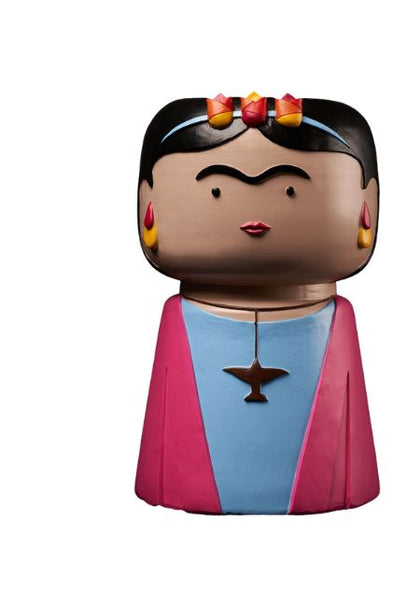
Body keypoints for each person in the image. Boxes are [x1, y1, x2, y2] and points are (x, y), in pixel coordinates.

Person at [135, 93, 380, 514]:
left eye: (290, 190)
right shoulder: (178, 318)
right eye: (216, 190)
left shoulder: (337, 320)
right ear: (148, 206)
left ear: (366, 207)